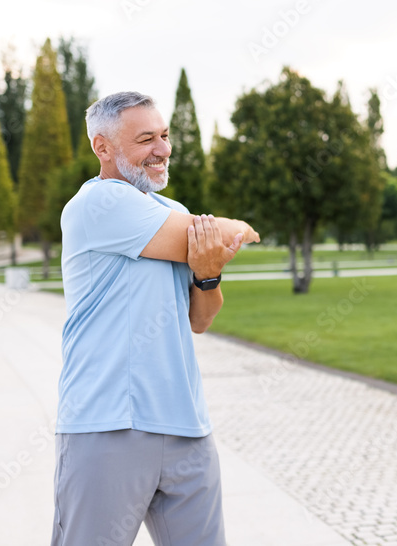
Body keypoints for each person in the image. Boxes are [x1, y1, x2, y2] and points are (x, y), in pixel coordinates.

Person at [52, 91, 259, 546]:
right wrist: (230, 233)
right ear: (102, 148)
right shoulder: (97, 205)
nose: (163, 149)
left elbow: (200, 319)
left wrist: (207, 276)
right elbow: (231, 232)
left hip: (186, 426)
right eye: (146, 139)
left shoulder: (175, 213)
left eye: (164, 136)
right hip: (108, 425)